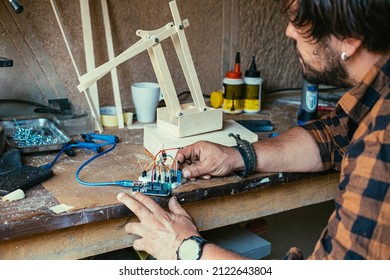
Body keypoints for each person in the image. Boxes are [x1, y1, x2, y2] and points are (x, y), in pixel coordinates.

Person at [117, 0, 390, 260]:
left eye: (299, 21)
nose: (289, 31)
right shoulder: (382, 82)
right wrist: (238, 156)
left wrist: (185, 249)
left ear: (350, 39)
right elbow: (335, 136)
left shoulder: (380, 141)